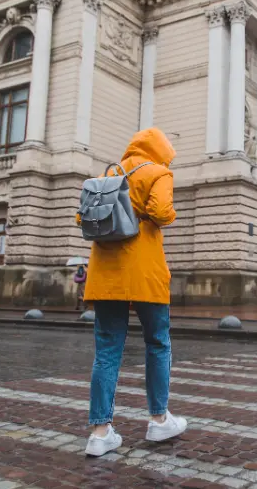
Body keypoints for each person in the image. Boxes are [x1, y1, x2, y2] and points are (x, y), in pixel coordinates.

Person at [80, 128, 187, 458]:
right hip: (145, 275)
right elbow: (161, 211)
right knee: (157, 342)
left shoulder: (108, 173)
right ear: (161, 150)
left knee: (108, 349)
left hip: (106, 275)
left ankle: (100, 432)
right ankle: (158, 420)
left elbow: (81, 216)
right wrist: (163, 214)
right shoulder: (159, 172)